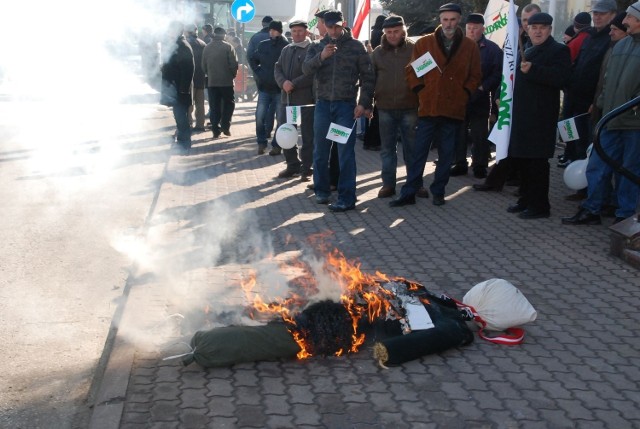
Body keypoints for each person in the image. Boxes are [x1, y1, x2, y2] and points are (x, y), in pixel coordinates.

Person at [389, 3, 481, 207]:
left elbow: (475, 75)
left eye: (453, 19)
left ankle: (439, 191)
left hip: (453, 108)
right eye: (445, 19)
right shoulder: (425, 43)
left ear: (459, 20)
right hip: (429, 106)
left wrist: (465, 92)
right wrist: (420, 90)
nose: (449, 23)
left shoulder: (469, 46)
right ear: (440, 20)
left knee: (447, 154)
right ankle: (409, 192)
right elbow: (412, 71)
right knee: (418, 153)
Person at [562, 2, 640, 225]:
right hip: (610, 120)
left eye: (630, 18)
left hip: (635, 125)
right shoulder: (620, 46)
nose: (624, 22)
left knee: (628, 170)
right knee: (596, 164)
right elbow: (606, 80)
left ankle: (624, 217)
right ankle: (591, 209)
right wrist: (602, 103)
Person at [302, 10, 375, 212]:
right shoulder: (317, 46)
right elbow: (306, 69)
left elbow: (368, 78)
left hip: (345, 107)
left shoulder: (356, 47)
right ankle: (322, 190)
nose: (333, 30)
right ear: (324, 25)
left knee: (345, 154)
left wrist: (364, 103)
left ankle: (347, 197)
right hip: (324, 106)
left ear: (343, 24)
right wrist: (321, 57)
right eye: (329, 26)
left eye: (337, 26)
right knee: (321, 151)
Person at [505, 12, 572, 219]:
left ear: (549, 30)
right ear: (527, 30)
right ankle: (525, 200)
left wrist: (534, 70)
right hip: (522, 117)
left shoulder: (559, 50)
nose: (537, 31)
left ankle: (540, 206)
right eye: (533, 27)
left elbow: (562, 78)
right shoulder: (528, 50)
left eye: (542, 27)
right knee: (523, 163)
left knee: (537, 165)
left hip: (541, 118)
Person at [473, 3, 541, 193]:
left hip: (529, 106)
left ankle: (515, 182)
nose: (528, 25)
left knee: (519, 146)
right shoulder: (516, 43)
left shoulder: (536, 46)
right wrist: (498, 95)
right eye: (525, 21)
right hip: (510, 103)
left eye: (532, 20)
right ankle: (497, 180)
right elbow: (506, 72)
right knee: (505, 141)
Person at [558, 0, 618, 168]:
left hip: (590, 104)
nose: (597, 17)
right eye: (595, 13)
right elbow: (577, 62)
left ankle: (584, 184)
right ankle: (569, 158)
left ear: (613, 15)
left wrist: (596, 100)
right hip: (573, 97)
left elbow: (607, 74)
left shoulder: (611, 39)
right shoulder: (589, 36)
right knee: (570, 135)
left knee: (586, 144)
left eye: (602, 14)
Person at [449, 13, 503, 179]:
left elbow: (498, 73)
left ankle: (480, 165)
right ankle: (460, 164)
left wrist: (483, 86)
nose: (472, 31)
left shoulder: (492, 49)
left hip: (480, 98)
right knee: (459, 133)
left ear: (483, 29)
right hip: (459, 98)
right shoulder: (456, 46)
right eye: (469, 28)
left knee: (480, 134)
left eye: (475, 28)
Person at [371, 16, 419, 198]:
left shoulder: (417, 49)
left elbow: (427, 77)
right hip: (384, 108)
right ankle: (388, 185)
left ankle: (415, 183)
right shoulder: (377, 53)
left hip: (411, 107)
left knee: (412, 149)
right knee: (387, 149)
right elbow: (369, 81)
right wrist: (366, 104)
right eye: (388, 32)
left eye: (396, 31)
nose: (392, 35)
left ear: (403, 31)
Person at [274, 20, 316, 181]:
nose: (297, 34)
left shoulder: (312, 48)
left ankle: (307, 168)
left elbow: (311, 74)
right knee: (287, 133)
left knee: (307, 136)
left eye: (300, 31)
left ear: (306, 32)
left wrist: (294, 84)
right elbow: (277, 68)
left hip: (305, 101)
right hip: (289, 102)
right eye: (294, 31)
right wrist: (283, 82)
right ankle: (292, 165)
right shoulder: (287, 49)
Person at [250, 20, 290, 155]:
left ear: (279, 31)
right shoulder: (263, 45)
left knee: (280, 119)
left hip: (280, 90)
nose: (271, 32)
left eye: (274, 30)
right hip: (264, 88)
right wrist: (258, 72)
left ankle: (276, 145)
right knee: (259, 117)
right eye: (270, 30)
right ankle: (261, 143)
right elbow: (253, 59)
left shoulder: (286, 46)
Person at [160, 21, 194, 150]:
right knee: (178, 114)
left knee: (180, 115)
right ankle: (182, 138)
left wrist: (183, 89)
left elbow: (188, 69)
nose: (168, 33)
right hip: (175, 88)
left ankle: (184, 141)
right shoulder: (177, 45)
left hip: (179, 88)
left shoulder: (182, 46)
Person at [202, 27, 238, 139]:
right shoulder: (228, 47)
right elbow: (234, 64)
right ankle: (225, 126)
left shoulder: (207, 48)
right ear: (224, 35)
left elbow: (203, 66)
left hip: (212, 82)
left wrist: (210, 74)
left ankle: (215, 130)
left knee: (214, 106)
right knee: (229, 104)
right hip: (227, 82)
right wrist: (232, 75)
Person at [185, 24, 207, 132]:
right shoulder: (203, 44)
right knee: (200, 103)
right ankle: (200, 125)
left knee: (189, 103)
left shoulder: (186, 44)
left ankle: (188, 123)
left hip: (189, 78)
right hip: (201, 77)